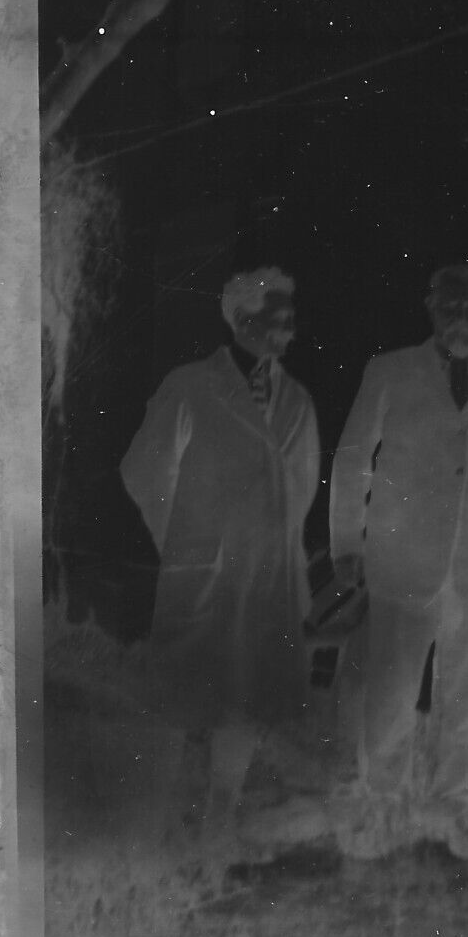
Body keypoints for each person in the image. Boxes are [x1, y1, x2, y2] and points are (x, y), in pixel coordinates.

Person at [329, 264, 468, 832]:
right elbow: (353, 459)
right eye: (449, 308)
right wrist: (347, 545)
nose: (460, 321)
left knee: (467, 696)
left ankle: (453, 799)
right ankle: (381, 801)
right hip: (404, 564)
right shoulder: (389, 372)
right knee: (392, 691)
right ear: (430, 309)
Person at [120, 267, 321, 834]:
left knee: (247, 700)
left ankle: (217, 823)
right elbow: (144, 469)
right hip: (202, 572)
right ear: (241, 319)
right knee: (185, 696)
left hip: (265, 577)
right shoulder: (190, 386)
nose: (288, 330)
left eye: (290, 320)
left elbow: (301, 490)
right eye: (276, 319)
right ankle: (155, 824)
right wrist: (184, 537)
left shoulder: (298, 401)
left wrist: (279, 552)